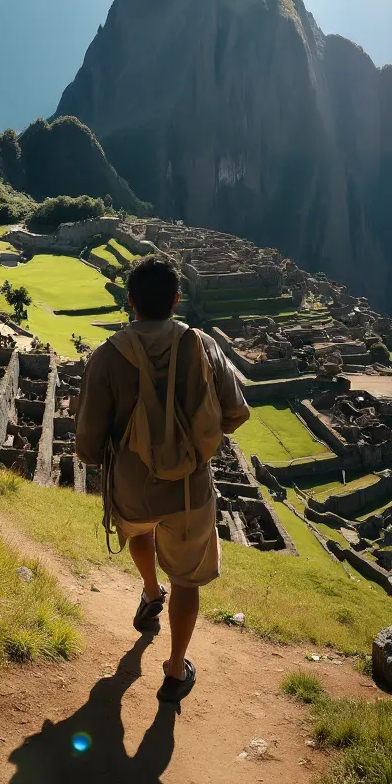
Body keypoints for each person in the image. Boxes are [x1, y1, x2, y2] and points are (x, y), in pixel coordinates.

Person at [75, 254, 250, 703]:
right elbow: (235, 411)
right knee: (187, 581)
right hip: (189, 486)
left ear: (130, 300)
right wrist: (193, 436)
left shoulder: (108, 355)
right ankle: (175, 670)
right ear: (176, 299)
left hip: (132, 483)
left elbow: (90, 441)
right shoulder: (203, 345)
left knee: (138, 530)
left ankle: (151, 591)